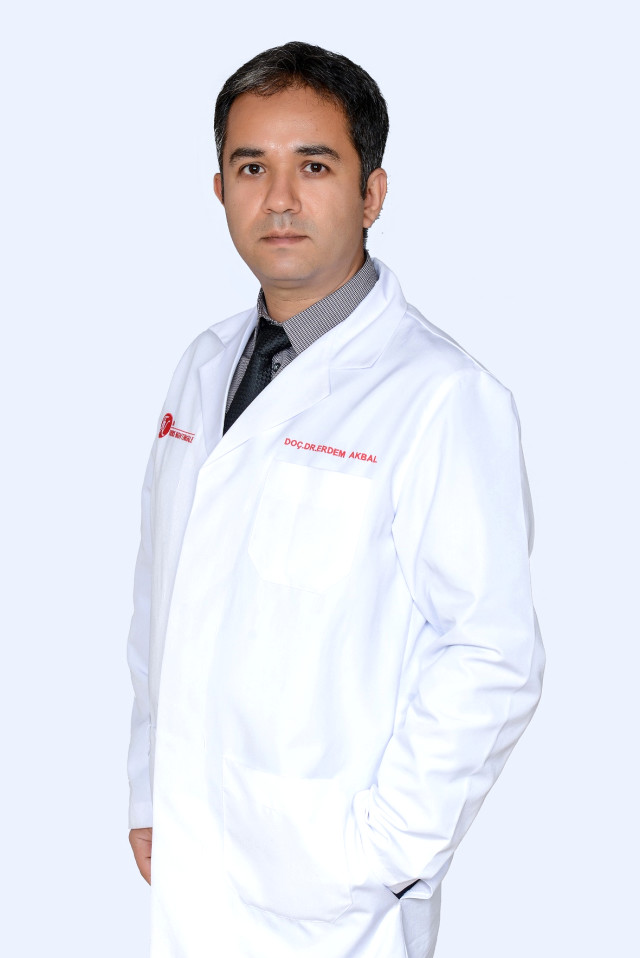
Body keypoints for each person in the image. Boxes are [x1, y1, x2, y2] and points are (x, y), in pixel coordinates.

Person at [127, 40, 545, 958]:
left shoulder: (442, 395)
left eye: (314, 166)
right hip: (192, 850)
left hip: (335, 896)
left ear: (372, 194)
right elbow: (164, 597)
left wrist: (384, 854)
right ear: (219, 189)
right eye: (251, 168)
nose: (279, 199)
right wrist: (151, 786)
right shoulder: (203, 366)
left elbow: (492, 652)